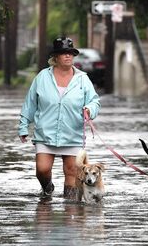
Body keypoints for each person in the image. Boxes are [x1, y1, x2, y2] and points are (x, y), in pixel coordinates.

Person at [18, 37, 101, 199]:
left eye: (70, 53)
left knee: (71, 173)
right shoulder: (42, 77)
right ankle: (47, 188)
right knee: (42, 169)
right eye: (63, 53)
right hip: (45, 133)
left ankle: (69, 209)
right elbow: (30, 103)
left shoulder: (83, 79)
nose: (68, 56)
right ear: (55, 57)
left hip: (72, 134)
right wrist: (23, 126)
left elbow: (94, 101)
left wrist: (89, 109)